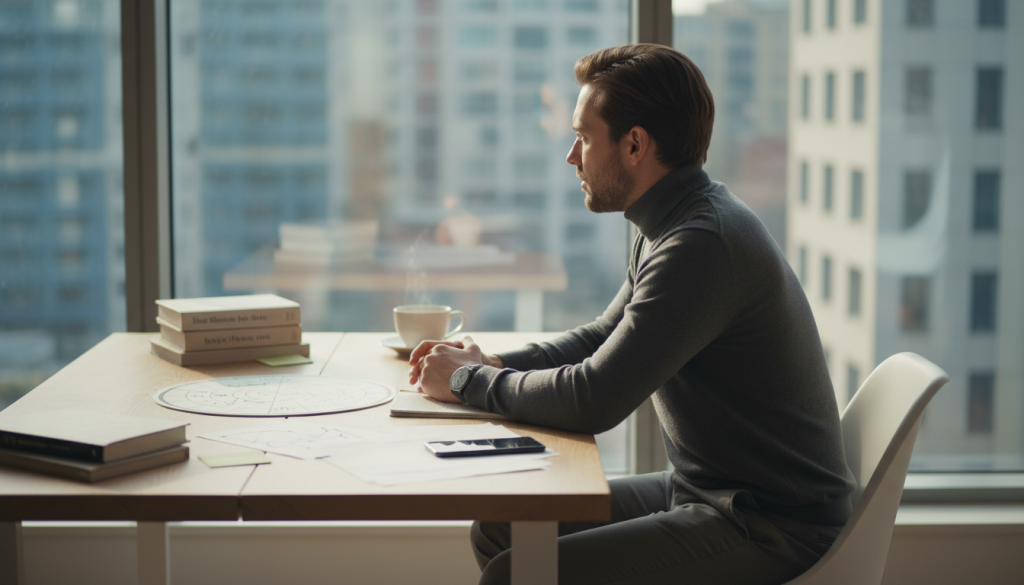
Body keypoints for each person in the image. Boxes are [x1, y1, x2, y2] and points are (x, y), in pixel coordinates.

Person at [408, 44, 856, 585]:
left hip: (766, 523)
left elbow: (595, 397)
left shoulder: (701, 244)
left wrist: (465, 380)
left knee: (513, 574)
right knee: (501, 529)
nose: (572, 156)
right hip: (703, 488)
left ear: (635, 144)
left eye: (584, 137)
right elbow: (603, 335)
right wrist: (493, 361)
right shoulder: (671, 222)